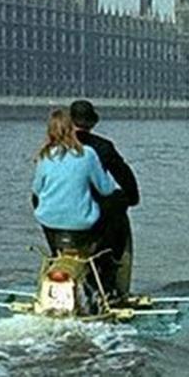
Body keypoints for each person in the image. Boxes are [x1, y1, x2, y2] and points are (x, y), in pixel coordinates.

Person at [69, 99, 140, 296]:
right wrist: (131, 198)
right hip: (91, 216)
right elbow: (120, 177)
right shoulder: (101, 147)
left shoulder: (54, 147)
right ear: (92, 123)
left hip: (54, 220)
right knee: (116, 213)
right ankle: (109, 274)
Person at [30, 109, 118, 258]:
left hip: (49, 221)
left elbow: (36, 190)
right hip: (82, 222)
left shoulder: (45, 156)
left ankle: (54, 255)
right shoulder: (88, 154)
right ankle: (106, 261)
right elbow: (106, 189)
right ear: (73, 129)